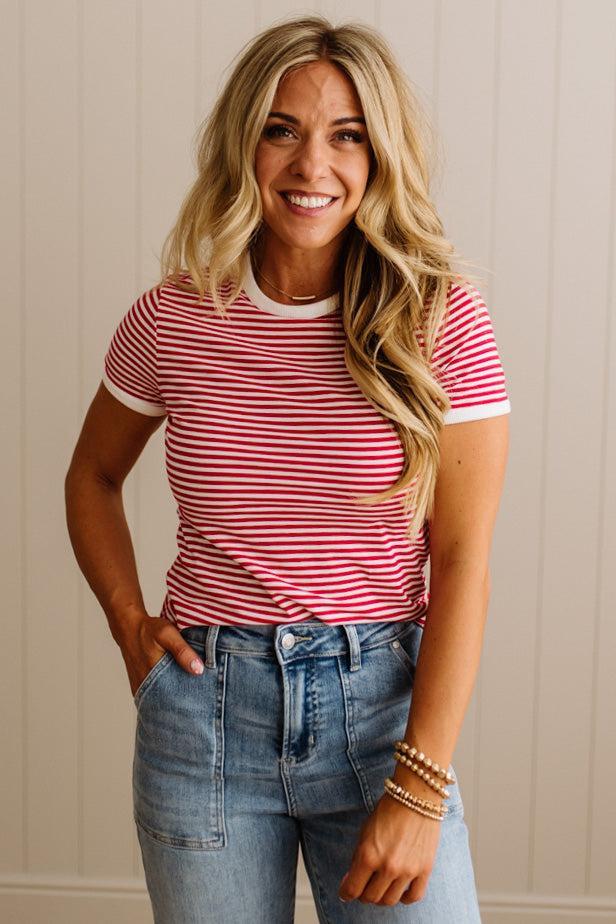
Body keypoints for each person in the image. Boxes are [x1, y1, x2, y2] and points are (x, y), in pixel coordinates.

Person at [65, 14, 510, 923]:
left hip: (384, 716)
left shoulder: (439, 323)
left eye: (347, 135)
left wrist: (420, 783)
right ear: (244, 144)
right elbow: (92, 477)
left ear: (380, 154)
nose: (314, 166)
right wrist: (126, 623)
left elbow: (463, 560)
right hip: (203, 723)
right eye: (283, 130)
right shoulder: (175, 317)